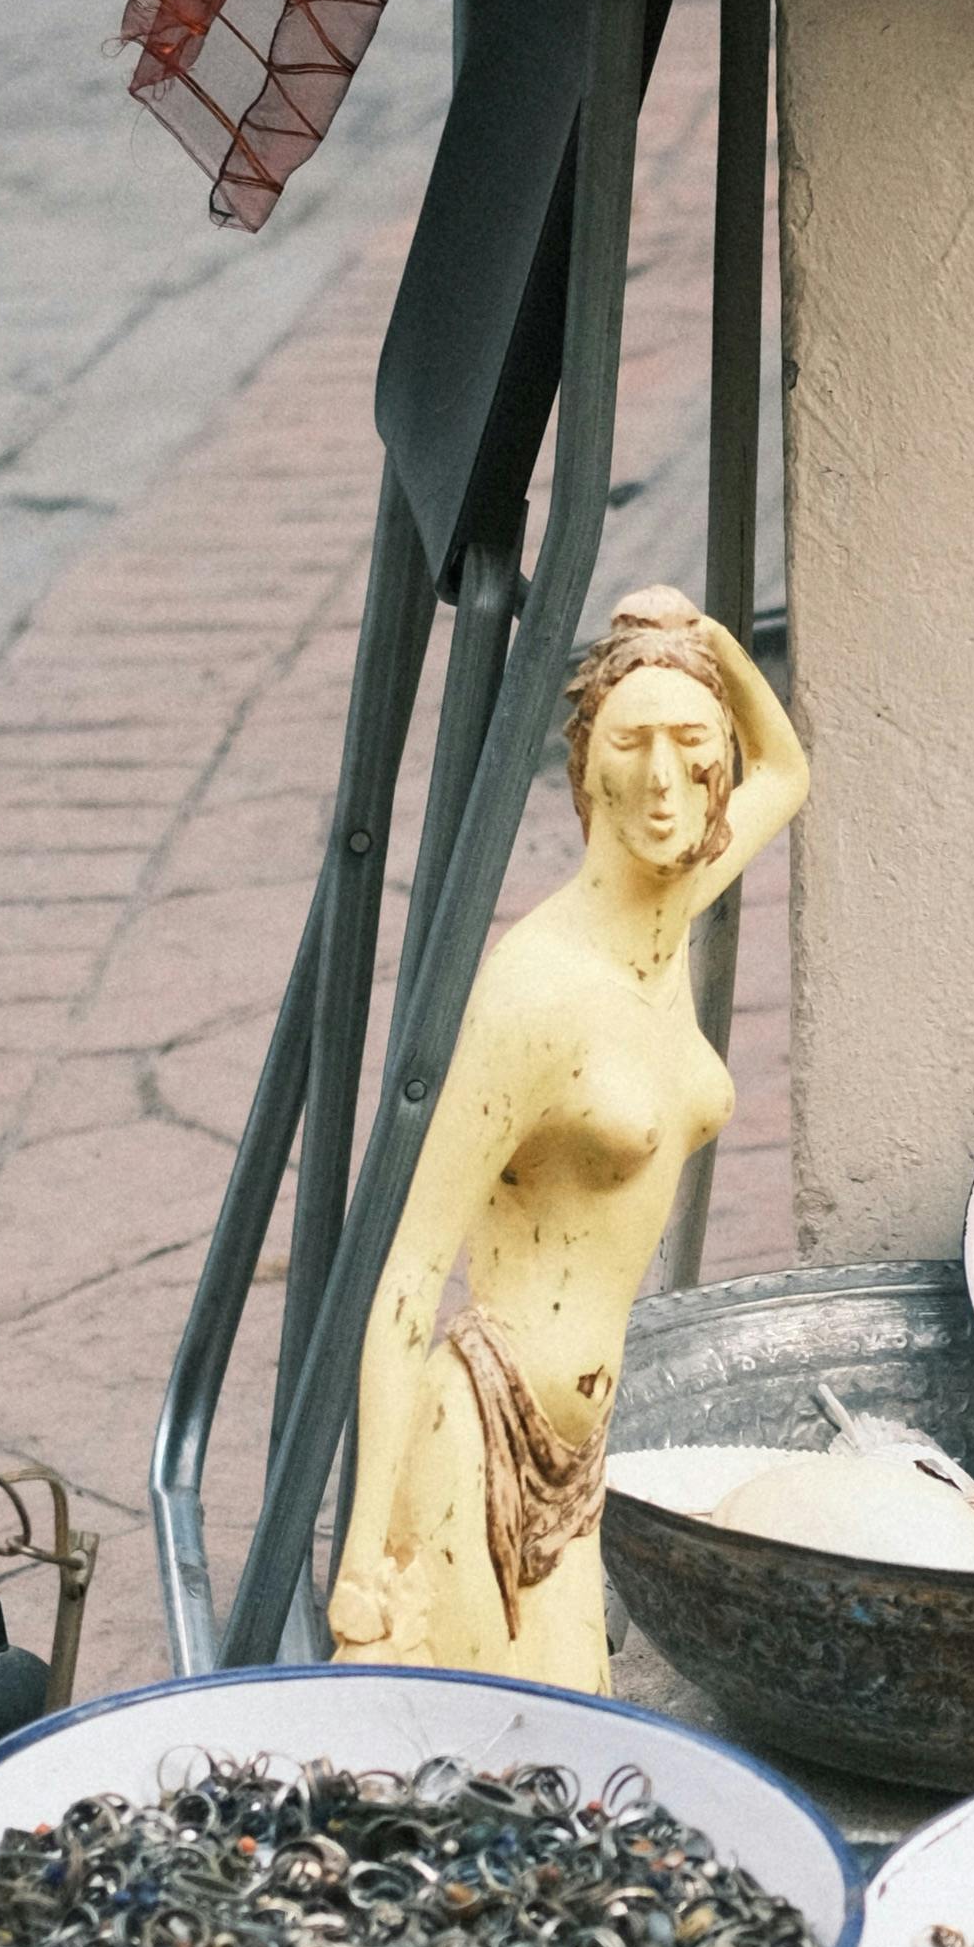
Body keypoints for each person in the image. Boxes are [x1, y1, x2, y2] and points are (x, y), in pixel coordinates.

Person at [329, 593, 806, 1688]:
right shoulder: (531, 995)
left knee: (574, 1765)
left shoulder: (668, 911)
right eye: (627, 745)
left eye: (690, 746)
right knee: (488, 1770)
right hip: (481, 1422)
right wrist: (364, 1554)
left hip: (580, 1447)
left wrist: (696, 640)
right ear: (585, 771)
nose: (660, 780)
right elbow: (408, 1274)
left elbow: (788, 773)